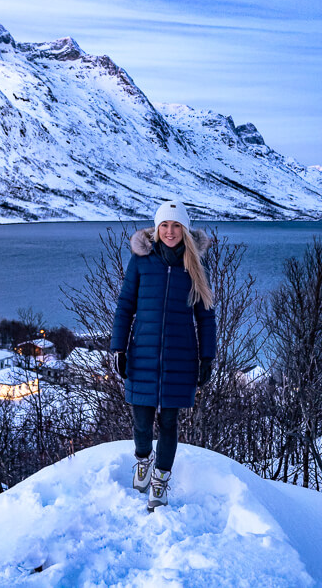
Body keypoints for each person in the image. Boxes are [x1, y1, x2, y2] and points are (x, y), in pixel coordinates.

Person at [110, 200, 216, 511]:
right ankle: (143, 459)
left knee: (170, 422)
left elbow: (206, 316)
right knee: (141, 421)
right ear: (157, 229)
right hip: (142, 353)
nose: (170, 232)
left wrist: (206, 358)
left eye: (176, 225)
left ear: (184, 229)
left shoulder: (196, 264)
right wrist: (118, 348)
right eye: (164, 226)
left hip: (180, 357)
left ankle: (160, 480)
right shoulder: (142, 260)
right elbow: (125, 306)